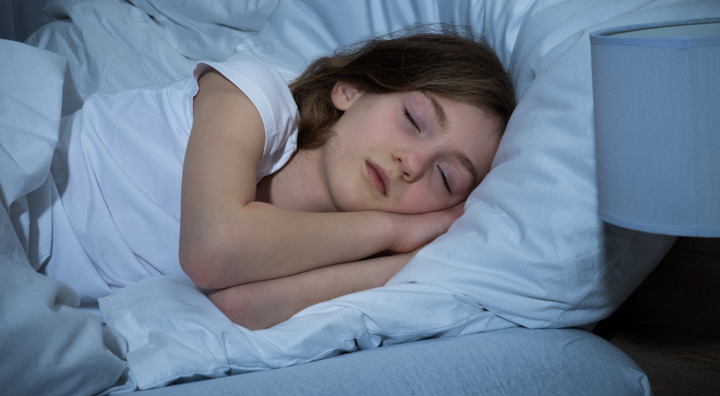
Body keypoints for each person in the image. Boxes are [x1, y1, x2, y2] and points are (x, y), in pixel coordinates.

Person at [42, 26, 516, 330]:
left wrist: (410, 260)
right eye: (413, 119)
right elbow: (213, 252)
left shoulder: (339, 244)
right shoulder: (253, 96)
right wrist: (396, 229)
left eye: (445, 177)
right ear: (351, 90)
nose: (411, 163)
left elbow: (239, 309)